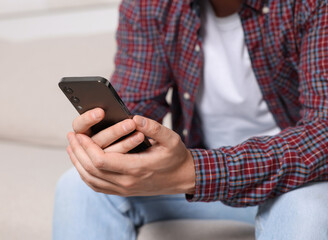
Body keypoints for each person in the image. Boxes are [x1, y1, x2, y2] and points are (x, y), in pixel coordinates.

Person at [53, 0, 328, 239]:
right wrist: (114, 145)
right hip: (202, 181)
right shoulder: (152, 5)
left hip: (296, 179)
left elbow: (323, 133)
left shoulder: (312, 5)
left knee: (306, 206)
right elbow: (137, 108)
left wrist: (195, 171)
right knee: (78, 187)